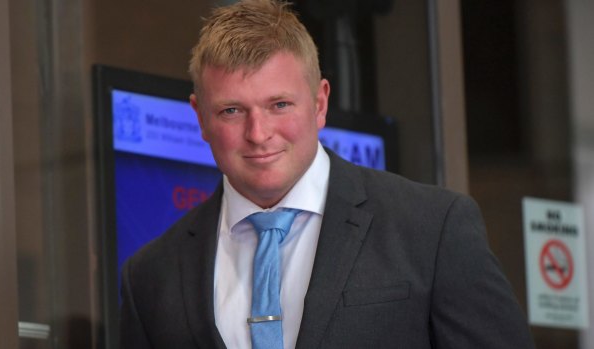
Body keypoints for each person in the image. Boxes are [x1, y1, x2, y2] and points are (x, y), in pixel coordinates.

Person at [120, 0, 535, 348]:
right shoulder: (151, 276)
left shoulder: (431, 229)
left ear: (320, 104)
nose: (259, 134)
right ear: (200, 118)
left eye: (279, 104)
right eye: (232, 110)